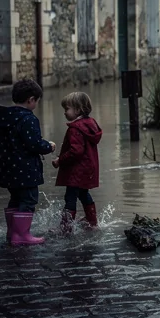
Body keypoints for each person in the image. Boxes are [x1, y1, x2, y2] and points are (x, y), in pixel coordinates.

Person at [0, 78, 56, 246]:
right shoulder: (28, 119)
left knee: (15, 199)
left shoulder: (6, 118)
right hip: (25, 170)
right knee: (28, 200)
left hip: (8, 170)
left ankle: (12, 233)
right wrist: (48, 146)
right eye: (37, 101)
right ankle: (21, 235)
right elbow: (34, 144)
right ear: (31, 100)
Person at [52, 92, 103, 234]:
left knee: (70, 197)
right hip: (88, 168)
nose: (64, 113)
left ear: (78, 110)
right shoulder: (90, 124)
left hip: (77, 170)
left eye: (66, 109)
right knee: (83, 193)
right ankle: (92, 222)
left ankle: (65, 228)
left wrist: (59, 160)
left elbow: (76, 151)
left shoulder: (75, 129)